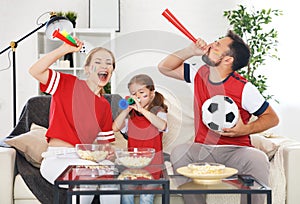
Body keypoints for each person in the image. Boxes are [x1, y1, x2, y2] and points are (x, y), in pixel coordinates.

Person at [158, 30, 279, 204]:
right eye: (215, 42)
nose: (211, 44)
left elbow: (272, 118)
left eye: (218, 45)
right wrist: (190, 51)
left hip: (235, 150)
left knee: (257, 158)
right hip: (203, 149)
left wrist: (245, 129)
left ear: (228, 60)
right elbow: (164, 67)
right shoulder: (199, 73)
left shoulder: (245, 88)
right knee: (179, 153)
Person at [29, 37, 119, 203]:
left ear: (112, 71)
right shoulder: (67, 84)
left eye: (109, 63)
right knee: (87, 176)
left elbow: (104, 145)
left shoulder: (104, 106)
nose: (104, 66)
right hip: (57, 159)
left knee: (111, 174)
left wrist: (110, 153)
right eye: (98, 62)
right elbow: (35, 71)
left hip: (85, 159)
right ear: (86, 69)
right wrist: (64, 49)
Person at [112, 74, 168, 204]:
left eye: (141, 93)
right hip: (133, 167)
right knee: (126, 192)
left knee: (146, 197)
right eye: (134, 94)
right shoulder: (130, 117)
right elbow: (115, 127)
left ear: (152, 94)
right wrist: (126, 110)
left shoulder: (159, 112)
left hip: (153, 166)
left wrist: (142, 110)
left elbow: (163, 125)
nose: (137, 97)